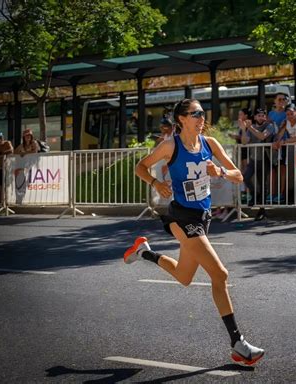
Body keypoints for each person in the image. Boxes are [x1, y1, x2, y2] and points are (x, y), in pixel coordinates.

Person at [123, 99, 265, 366]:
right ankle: (238, 343)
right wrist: (156, 183)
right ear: (181, 119)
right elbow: (139, 167)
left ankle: (144, 252)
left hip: (203, 216)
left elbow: (238, 176)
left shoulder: (210, 144)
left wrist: (220, 171)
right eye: (195, 114)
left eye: (202, 113)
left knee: (184, 276)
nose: (201, 118)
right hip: (181, 216)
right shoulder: (170, 145)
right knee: (220, 274)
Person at [241, 107, 275, 220]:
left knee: (263, 184)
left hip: (265, 158)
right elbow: (244, 142)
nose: (261, 117)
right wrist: (244, 129)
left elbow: (262, 136)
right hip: (253, 158)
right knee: (245, 177)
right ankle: (255, 195)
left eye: (263, 115)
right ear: (255, 117)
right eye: (259, 115)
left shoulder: (269, 126)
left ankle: (262, 210)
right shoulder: (252, 128)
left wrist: (249, 127)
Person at [267, 93, 289, 204]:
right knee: (272, 170)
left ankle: (281, 194)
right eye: (279, 99)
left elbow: (284, 128)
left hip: (283, 144)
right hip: (272, 145)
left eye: (283, 99)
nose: (281, 101)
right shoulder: (270, 114)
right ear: (275, 101)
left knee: (282, 169)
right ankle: (271, 194)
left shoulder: (287, 113)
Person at [0, 132, 13, 203]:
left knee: (5, 185)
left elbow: (11, 150)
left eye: (0, 138)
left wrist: (2, 153)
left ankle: (5, 202)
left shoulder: (7, 143)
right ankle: (0, 202)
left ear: (2, 137)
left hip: (6, 168)